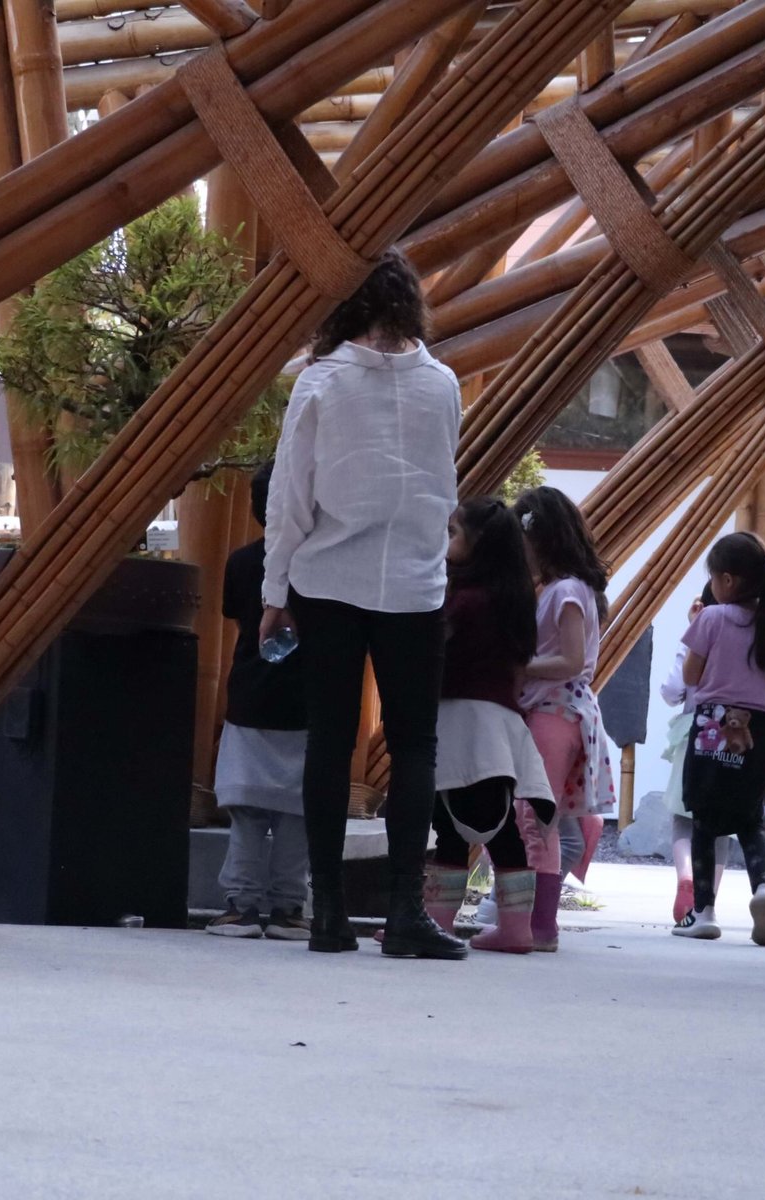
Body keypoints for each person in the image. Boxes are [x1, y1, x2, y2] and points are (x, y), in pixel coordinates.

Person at [260, 249, 466, 960]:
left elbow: (291, 493)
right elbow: (443, 483)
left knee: (328, 739)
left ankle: (328, 913)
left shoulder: (320, 380)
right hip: (415, 583)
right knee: (415, 745)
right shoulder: (442, 383)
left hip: (326, 580)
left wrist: (274, 591)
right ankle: (405, 914)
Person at [421, 498, 555, 955]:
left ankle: (437, 923)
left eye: (453, 532)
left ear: (478, 543)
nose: (446, 541)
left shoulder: (463, 601)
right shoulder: (514, 600)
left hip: (462, 722)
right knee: (503, 828)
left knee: (450, 826)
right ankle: (517, 929)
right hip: (502, 725)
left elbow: (436, 658)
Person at [672, 531, 765, 946]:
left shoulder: (711, 618)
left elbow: (690, 675)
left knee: (705, 821)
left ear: (726, 580)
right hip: (759, 731)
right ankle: (763, 889)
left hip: (713, 726)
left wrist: (696, 629)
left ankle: (704, 912)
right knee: (750, 820)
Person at [206, 463, 311, 941]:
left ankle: (242, 906)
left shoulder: (242, 561)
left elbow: (239, 622)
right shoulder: (321, 567)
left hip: (250, 694)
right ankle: (289, 908)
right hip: (308, 700)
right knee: (298, 812)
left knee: (246, 810)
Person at [514, 486, 615, 953]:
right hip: (562, 711)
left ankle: (538, 925)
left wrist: (519, 666)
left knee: (535, 816)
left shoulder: (566, 591)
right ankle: (537, 924)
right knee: (539, 816)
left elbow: (572, 660)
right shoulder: (566, 589)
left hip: (555, 710)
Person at [661, 584, 733, 924]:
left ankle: (686, 876)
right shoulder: (748, 637)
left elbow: (672, 690)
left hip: (693, 730)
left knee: (682, 814)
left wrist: (692, 630)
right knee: (721, 821)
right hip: (732, 734)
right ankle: (708, 901)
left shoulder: (697, 638)